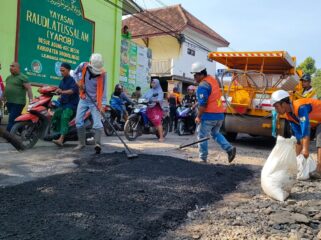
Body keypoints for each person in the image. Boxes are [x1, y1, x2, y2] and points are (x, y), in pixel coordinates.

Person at [191, 62, 236, 163]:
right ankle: (229, 149)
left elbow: (203, 105)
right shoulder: (212, 80)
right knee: (215, 133)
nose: (194, 77)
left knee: (202, 136)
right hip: (219, 115)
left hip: (209, 115)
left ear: (201, 74)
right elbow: (211, 97)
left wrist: (198, 116)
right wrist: (196, 104)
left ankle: (202, 158)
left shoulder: (202, 86)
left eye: (195, 75)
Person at [271, 89, 321, 179]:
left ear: (284, 104)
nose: (276, 109)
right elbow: (299, 137)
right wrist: (296, 160)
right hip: (315, 122)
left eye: (276, 106)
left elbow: (305, 129)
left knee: (320, 141)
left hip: (318, 121)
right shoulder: (288, 115)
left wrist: (305, 150)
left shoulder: (300, 107)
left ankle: (319, 170)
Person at [73, 53, 107, 154]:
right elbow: (74, 74)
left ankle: (97, 144)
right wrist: (79, 83)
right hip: (84, 98)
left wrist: (103, 105)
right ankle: (81, 143)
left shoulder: (103, 74)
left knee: (97, 123)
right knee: (78, 121)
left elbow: (104, 90)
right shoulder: (83, 66)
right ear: (90, 63)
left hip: (95, 102)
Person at [51, 63, 79, 147]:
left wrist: (62, 92)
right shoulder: (62, 80)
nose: (61, 72)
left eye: (63, 70)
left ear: (68, 70)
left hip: (71, 105)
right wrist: (57, 91)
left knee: (64, 116)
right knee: (55, 115)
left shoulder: (73, 80)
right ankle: (58, 133)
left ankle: (61, 139)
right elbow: (60, 89)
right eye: (60, 70)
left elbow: (72, 91)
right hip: (63, 104)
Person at [4, 62, 33, 131]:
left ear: (18, 68)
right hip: (9, 102)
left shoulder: (23, 77)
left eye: (13, 66)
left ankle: (7, 135)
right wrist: (2, 97)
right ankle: (22, 131)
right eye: (10, 66)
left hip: (18, 102)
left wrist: (31, 100)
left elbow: (29, 89)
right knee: (16, 118)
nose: (11, 68)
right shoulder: (8, 77)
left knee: (12, 119)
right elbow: (6, 88)